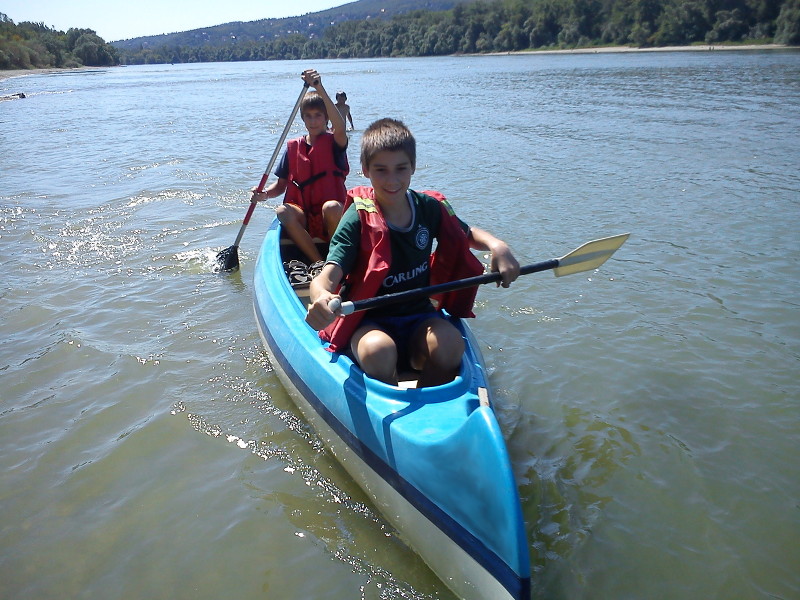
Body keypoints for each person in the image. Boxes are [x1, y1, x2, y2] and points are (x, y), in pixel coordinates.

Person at [305, 118, 520, 388]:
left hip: (419, 316)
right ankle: (388, 396)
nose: (392, 180)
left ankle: (430, 396)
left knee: (451, 345)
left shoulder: (428, 207)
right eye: (381, 170)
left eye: (401, 168)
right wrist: (321, 297)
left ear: (413, 167)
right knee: (379, 352)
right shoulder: (356, 218)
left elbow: (466, 234)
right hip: (369, 321)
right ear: (365, 170)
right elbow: (327, 276)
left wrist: (498, 246)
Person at [251, 69, 349, 266]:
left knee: (331, 207)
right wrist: (264, 195)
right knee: (282, 211)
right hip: (303, 214)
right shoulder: (293, 147)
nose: (313, 121)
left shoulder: (335, 142)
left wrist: (319, 87)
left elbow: (340, 126)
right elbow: (281, 186)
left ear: (326, 118)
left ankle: (338, 261)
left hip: (330, 215)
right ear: (303, 119)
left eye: (318, 115)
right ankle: (318, 262)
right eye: (308, 116)